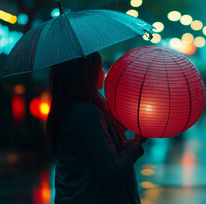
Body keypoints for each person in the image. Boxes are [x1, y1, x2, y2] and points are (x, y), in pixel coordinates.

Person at [46, 52, 147, 204]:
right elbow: (111, 169)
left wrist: (119, 124)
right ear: (86, 74)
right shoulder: (87, 112)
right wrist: (136, 143)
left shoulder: (70, 108)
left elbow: (94, 144)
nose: (103, 73)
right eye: (99, 68)